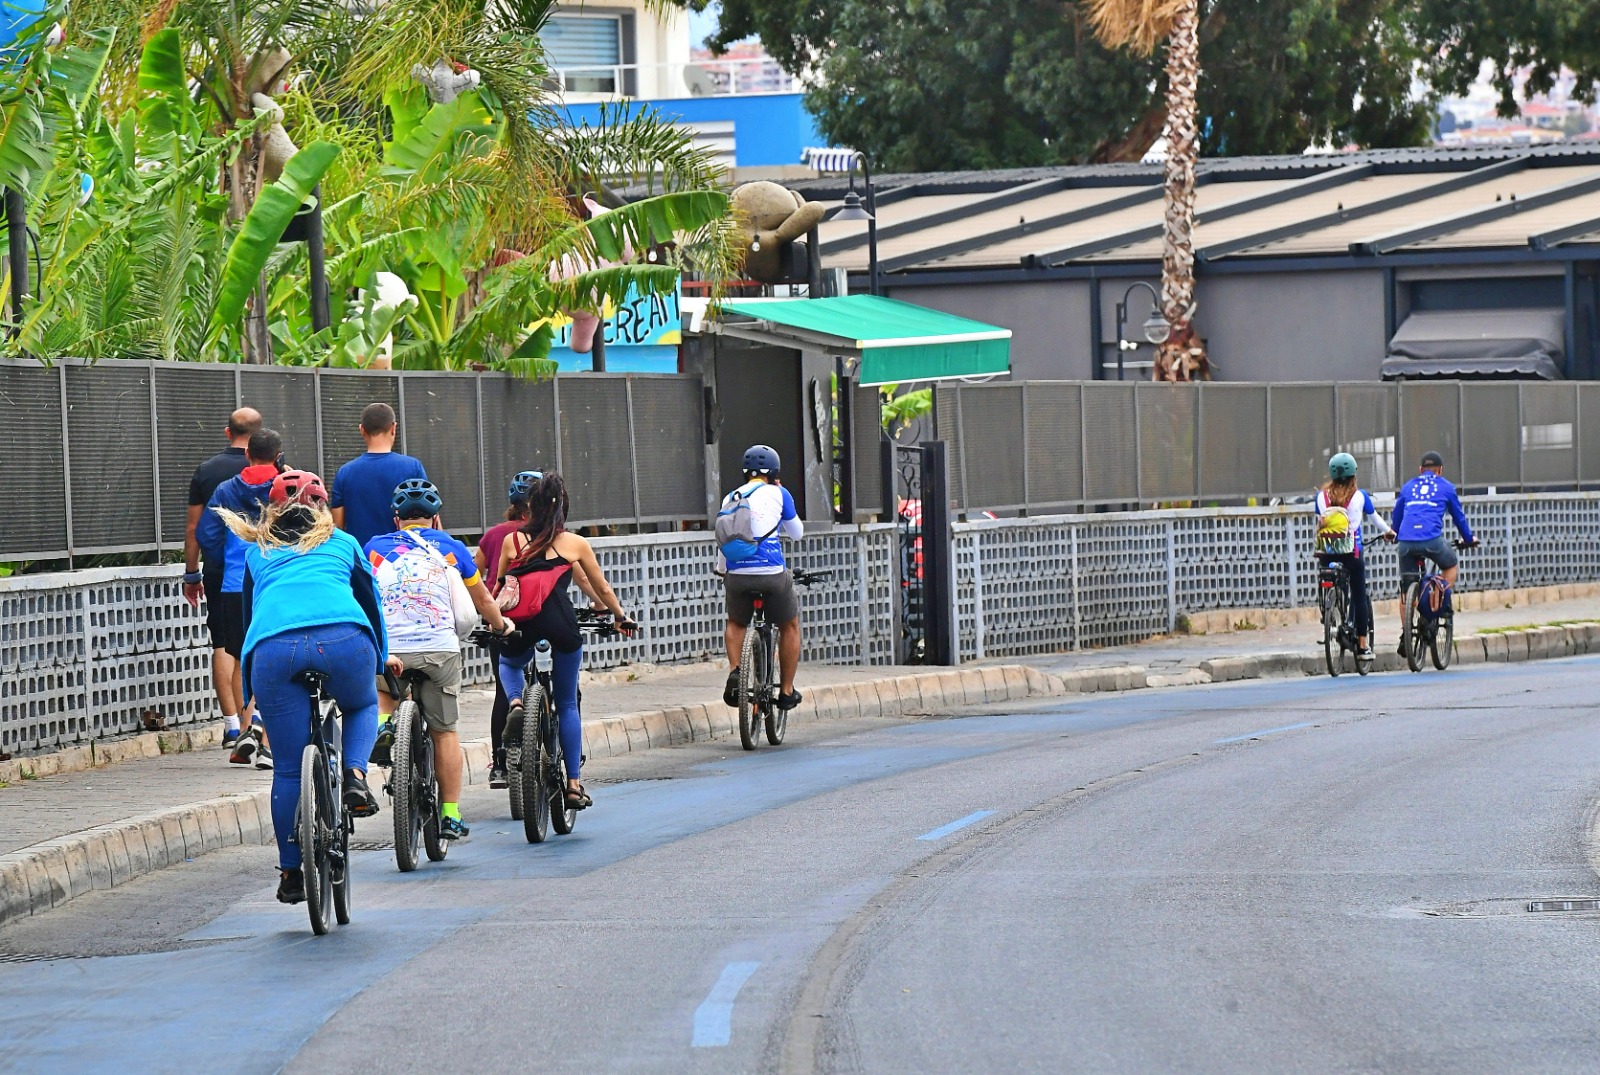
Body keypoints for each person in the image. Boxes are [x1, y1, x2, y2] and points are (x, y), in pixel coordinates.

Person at [219, 469, 395, 906]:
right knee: (360, 705)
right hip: (344, 641)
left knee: (286, 770)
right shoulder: (343, 542)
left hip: (274, 653)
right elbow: (369, 603)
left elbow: (247, 622)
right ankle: (354, 776)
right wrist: (379, 658)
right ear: (321, 508)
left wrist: (250, 686)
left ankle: (292, 872)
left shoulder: (256, 551)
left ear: (273, 509)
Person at [365, 479, 513, 840]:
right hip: (438, 648)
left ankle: (384, 726)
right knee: (445, 731)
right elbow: (483, 600)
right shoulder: (452, 549)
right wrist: (502, 626)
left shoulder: (374, 548)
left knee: (386, 687)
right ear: (436, 519)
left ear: (396, 519)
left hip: (392, 647)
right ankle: (449, 813)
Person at [495, 472, 634, 811]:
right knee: (568, 702)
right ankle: (573, 783)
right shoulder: (574, 543)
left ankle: (515, 703)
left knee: (509, 663)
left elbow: (500, 584)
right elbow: (601, 588)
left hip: (521, 623)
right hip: (560, 623)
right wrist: (620, 616)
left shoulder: (512, 541)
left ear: (531, 507)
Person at [195, 427, 284, 768]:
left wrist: (223, 563)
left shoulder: (225, 490)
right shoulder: (286, 487)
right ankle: (266, 740)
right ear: (278, 455)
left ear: (247, 453)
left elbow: (206, 533)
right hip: (275, 583)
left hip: (234, 584)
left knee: (241, 656)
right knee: (273, 656)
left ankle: (243, 733)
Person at [182, 407, 260, 748]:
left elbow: (193, 528)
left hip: (220, 570)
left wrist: (192, 572)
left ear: (228, 433)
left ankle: (230, 724)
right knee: (253, 642)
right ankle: (250, 722)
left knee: (223, 642)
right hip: (265, 568)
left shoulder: (207, 471)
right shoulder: (271, 469)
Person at [718, 444, 805, 711]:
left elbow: (723, 539)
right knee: (789, 624)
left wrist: (724, 571)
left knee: (735, 622)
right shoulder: (780, 493)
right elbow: (797, 533)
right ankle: (787, 691)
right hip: (771, 575)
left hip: (738, 575)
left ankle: (736, 671)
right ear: (775, 471)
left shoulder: (730, 497)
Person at [477, 470, 538, 789]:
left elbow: (475, 574)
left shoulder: (494, 534)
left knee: (504, 687)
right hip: (540, 617)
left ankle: (499, 764)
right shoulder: (549, 533)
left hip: (499, 619)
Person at [1392, 450, 1479, 653]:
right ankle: (1437, 602)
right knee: (1450, 565)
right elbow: (1459, 518)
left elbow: (1397, 514)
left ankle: (1406, 634)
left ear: (1420, 470)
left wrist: (1394, 533)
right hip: (1432, 540)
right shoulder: (1446, 487)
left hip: (1405, 542)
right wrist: (1469, 539)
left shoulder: (1408, 486)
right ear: (1439, 471)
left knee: (1406, 590)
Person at [1313, 452, 1395, 660]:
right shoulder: (1360, 497)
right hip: (1351, 553)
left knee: (1330, 580)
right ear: (1353, 475)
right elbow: (1375, 519)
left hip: (1326, 553)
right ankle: (1362, 645)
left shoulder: (1320, 497)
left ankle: (1330, 616)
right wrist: (1389, 532)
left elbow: (1320, 522)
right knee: (1359, 595)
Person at [330, 402, 428, 548]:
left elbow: (337, 529)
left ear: (362, 430)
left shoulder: (345, 473)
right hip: (403, 562)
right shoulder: (413, 468)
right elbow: (429, 519)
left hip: (361, 563)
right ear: (394, 428)